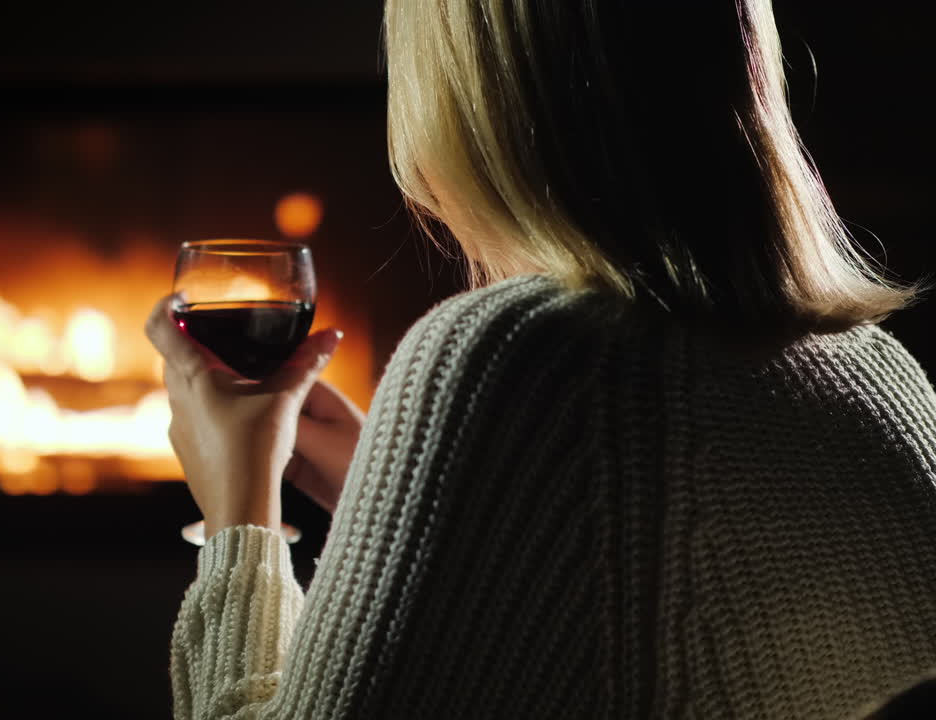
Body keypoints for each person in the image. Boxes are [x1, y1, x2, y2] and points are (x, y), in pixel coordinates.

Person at [145, 0, 936, 717]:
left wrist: (238, 505)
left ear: (467, 103)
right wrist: (400, 497)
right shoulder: (884, 375)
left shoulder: (520, 353)